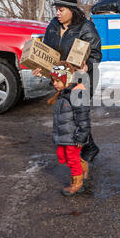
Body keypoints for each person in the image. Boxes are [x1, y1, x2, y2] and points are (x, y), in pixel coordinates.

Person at [33, 0, 101, 163]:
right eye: (56, 9)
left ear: (72, 10)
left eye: (61, 10)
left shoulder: (86, 27)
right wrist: (41, 67)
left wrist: (88, 65)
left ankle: (83, 152)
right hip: (62, 77)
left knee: (77, 113)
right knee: (70, 114)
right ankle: (89, 147)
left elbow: (96, 53)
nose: (58, 13)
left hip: (83, 77)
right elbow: (48, 51)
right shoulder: (53, 26)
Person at [48, 61, 91, 196]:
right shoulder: (63, 92)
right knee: (62, 156)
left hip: (73, 136)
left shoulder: (76, 93)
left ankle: (77, 183)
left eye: (57, 80)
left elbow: (83, 118)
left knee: (72, 158)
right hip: (64, 135)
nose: (54, 84)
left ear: (67, 79)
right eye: (53, 80)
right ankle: (82, 165)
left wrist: (82, 136)